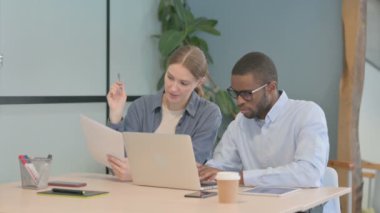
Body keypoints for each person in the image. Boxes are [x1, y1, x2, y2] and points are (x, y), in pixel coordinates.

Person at [198, 51, 329, 188]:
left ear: (271, 88)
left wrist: (241, 178)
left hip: (303, 207)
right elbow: (220, 166)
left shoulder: (307, 114)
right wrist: (204, 172)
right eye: (235, 93)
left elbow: (309, 173)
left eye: (247, 94)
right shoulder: (239, 123)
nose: (239, 101)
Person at [106, 45, 222, 181]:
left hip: (179, 197)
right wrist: (115, 114)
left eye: (183, 83)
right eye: (170, 77)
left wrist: (139, 172)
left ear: (199, 82)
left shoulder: (208, 114)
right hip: (135, 194)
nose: (173, 88)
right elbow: (119, 162)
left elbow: (190, 167)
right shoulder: (141, 106)